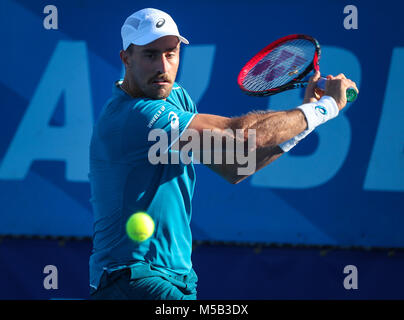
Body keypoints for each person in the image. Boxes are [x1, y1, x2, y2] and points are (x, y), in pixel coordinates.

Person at [88, 8, 358, 300]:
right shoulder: (133, 115)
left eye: (171, 53)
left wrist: (305, 123)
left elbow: (236, 166)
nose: (163, 67)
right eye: (150, 55)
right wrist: (325, 107)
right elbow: (241, 134)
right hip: (131, 277)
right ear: (126, 58)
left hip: (176, 276)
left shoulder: (175, 97)